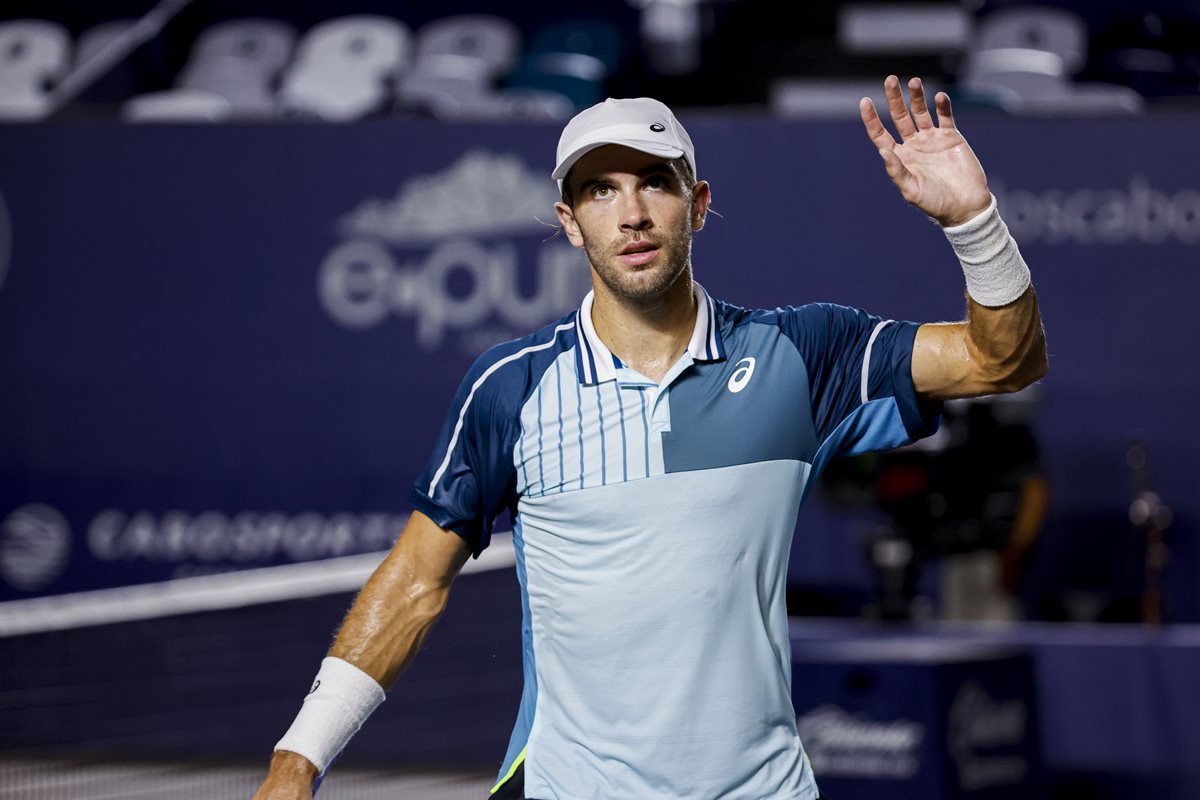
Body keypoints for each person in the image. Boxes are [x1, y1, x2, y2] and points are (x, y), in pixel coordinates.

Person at [252, 76, 1047, 800]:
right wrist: (297, 760)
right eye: (600, 190)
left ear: (697, 204)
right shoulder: (511, 388)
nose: (630, 213)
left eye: (653, 183)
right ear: (569, 223)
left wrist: (974, 223)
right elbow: (414, 584)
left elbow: (1003, 361)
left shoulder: (800, 354)